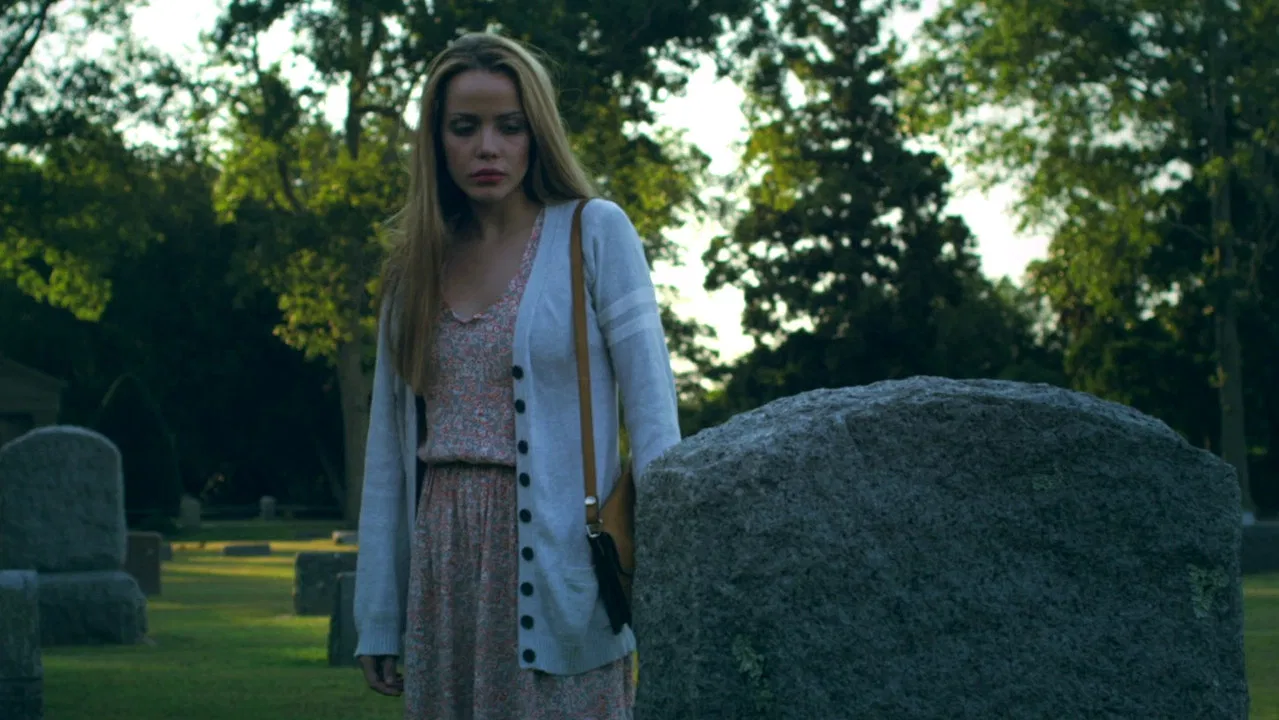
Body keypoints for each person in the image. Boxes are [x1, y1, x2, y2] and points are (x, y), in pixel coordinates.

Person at [352, 31, 682, 719]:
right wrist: (379, 615)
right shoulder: (413, 269)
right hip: (444, 565)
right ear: (436, 140)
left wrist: (671, 570)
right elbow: (387, 454)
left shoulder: (594, 233)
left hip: (563, 565)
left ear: (537, 134)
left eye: (509, 126)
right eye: (464, 128)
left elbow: (654, 419)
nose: (487, 148)